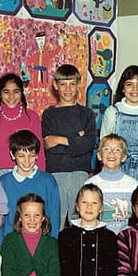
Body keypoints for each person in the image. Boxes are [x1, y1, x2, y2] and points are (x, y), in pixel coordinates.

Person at [42, 64, 97, 228]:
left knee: (80, 220)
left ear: (78, 84)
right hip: (56, 172)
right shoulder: (49, 114)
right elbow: (50, 146)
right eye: (63, 84)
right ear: (55, 85)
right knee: (55, 219)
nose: (68, 89)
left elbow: (88, 144)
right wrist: (76, 137)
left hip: (80, 172)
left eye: (72, 84)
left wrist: (59, 139)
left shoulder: (86, 114)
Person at [100, 65, 138, 185]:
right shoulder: (112, 112)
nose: (135, 89)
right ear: (122, 88)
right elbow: (104, 144)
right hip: (117, 167)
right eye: (129, 84)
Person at [0, 130, 60, 242]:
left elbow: (54, 216)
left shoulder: (48, 181)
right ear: (12, 155)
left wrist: (51, 243)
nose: (27, 161)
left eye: (31, 155)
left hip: (41, 242)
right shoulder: (3, 182)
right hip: (11, 243)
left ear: (37, 155)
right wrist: (1, 245)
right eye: (21, 156)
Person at [0, 73, 44, 178]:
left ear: (21, 93)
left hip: (26, 171)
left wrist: (39, 176)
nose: (11, 96)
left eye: (16, 92)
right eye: (6, 92)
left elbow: (39, 150)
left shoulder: (32, 117)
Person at [86, 134, 138, 234]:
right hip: (100, 237)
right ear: (99, 155)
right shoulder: (90, 184)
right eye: (107, 149)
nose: (111, 153)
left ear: (124, 157)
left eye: (117, 150)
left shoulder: (133, 185)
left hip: (126, 238)